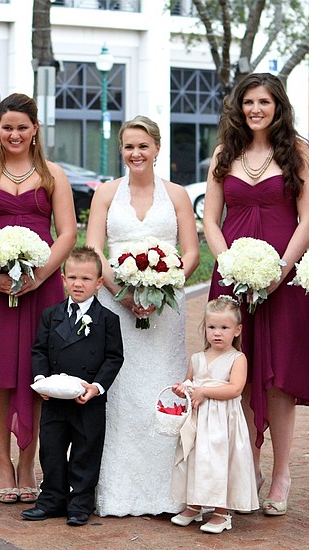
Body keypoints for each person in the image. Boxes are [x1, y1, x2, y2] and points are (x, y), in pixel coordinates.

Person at [203, 72, 309, 516]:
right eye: (249, 101)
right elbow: (211, 219)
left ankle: (282, 472)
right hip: (231, 277)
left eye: (264, 102)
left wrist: (279, 272)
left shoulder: (298, 152)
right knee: (240, 371)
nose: (255, 109)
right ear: (239, 106)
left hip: (282, 279)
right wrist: (228, 264)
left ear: (278, 107)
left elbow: (307, 219)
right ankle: (248, 465)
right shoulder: (224, 154)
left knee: (279, 378)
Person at [0, 93, 77, 505]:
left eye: (22, 127)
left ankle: (29, 461)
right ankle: (1, 462)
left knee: (38, 371)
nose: (14, 134)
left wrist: (42, 273)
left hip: (40, 287)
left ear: (35, 131)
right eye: (7, 127)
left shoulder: (52, 175)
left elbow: (67, 232)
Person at [85, 115, 199, 516]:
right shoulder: (105, 194)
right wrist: (123, 293)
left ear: (157, 149)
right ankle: (117, 491)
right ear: (122, 149)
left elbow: (192, 253)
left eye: (143, 146)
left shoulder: (178, 196)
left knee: (160, 390)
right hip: (117, 306)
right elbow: (95, 248)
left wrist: (164, 287)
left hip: (165, 311)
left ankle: (167, 492)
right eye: (129, 146)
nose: (136, 153)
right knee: (120, 391)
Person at [22, 246, 124, 526]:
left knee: (86, 450)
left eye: (86, 279)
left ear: (99, 283)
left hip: (88, 400)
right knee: (51, 449)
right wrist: (41, 380)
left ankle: (80, 501)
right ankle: (52, 498)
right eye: (73, 277)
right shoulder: (50, 315)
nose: (78, 284)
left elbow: (114, 358)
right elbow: (39, 351)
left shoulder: (108, 320)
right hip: (54, 398)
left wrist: (97, 388)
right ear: (64, 279)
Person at [169, 295, 258, 534]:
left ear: (237, 330)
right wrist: (183, 389)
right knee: (196, 460)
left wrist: (205, 392)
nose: (217, 333)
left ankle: (222, 512)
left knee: (219, 463)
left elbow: (235, 389)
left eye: (224, 328)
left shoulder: (237, 358)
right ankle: (195, 505)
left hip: (223, 422)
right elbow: (191, 383)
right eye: (211, 327)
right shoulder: (197, 358)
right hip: (199, 421)